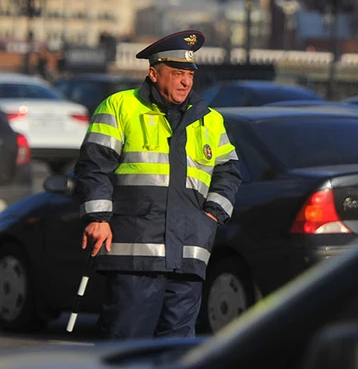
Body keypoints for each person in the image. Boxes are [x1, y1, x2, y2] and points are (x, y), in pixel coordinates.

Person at [74, 30, 242, 339]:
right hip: (134, 256)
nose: (185, 81)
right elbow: (93, 167)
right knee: (125, 350)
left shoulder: (209, 120)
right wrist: (98, 218)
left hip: (189, 256)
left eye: (189, 74)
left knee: (176, 358)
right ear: (154, 73)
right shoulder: (119, 107)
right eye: (177, 73)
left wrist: (212, 215)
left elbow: (229, 171)